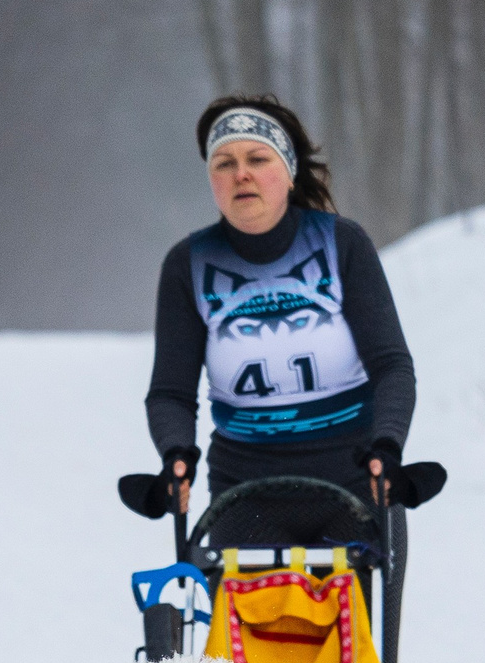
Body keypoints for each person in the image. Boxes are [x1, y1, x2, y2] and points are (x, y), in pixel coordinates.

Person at [145, 95, 416, 518]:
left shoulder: (342, 243)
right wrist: (177, 458)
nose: (241, 175)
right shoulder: (189, 264)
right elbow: (171, 393)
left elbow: (392, 366)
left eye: (257, 159)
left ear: (288, 173)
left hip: (354, 479)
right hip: (244, 490)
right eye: (224, 164)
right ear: (211, 181)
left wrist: (388, 447)